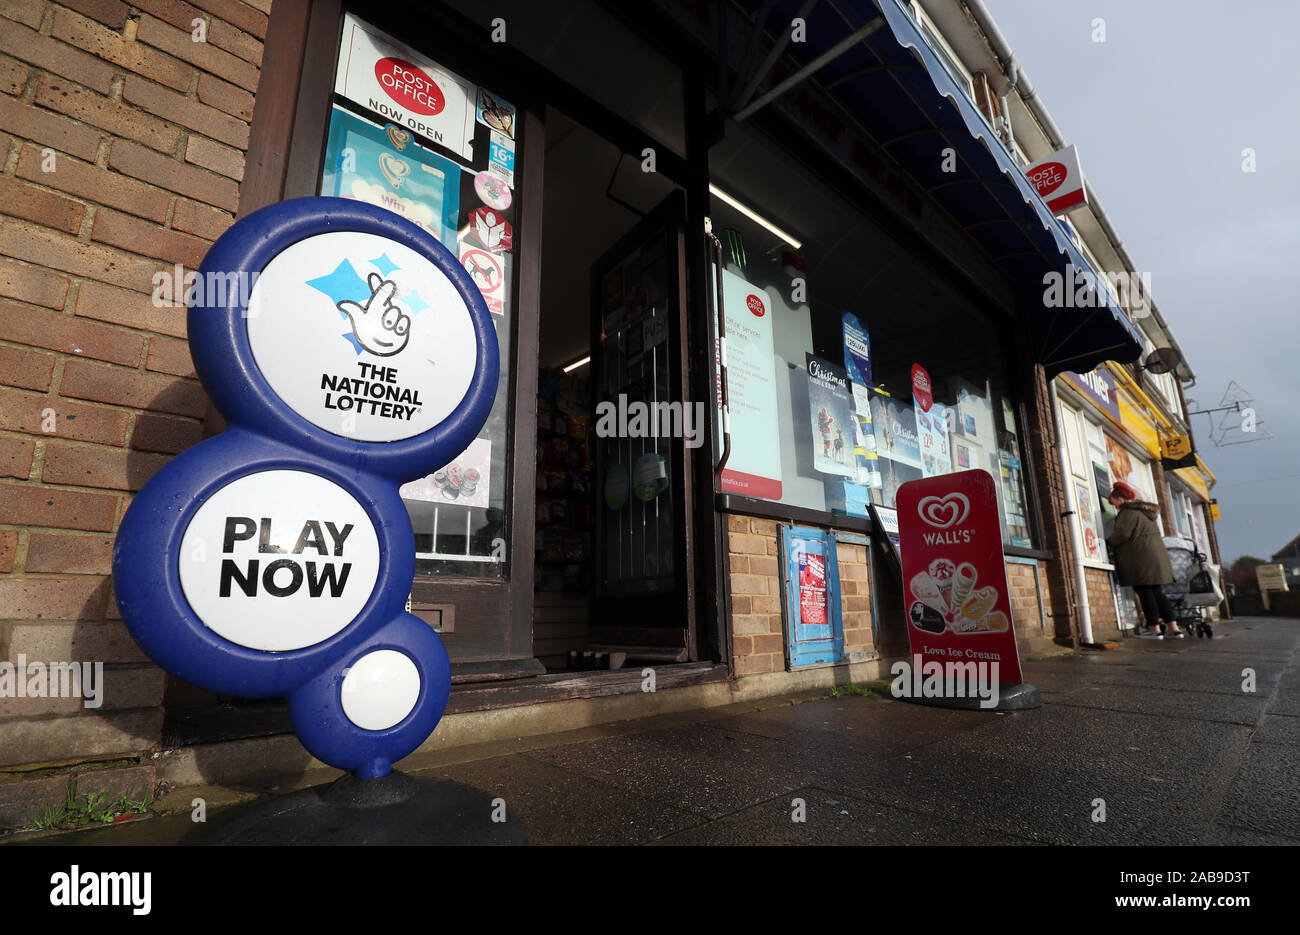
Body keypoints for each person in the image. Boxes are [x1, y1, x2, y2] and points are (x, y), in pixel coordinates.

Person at [1105, 481, 1183, 639]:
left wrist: (1107, 542)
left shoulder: (1127, 513)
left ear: (1120, 499)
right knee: (1157, 592)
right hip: (1155, 558)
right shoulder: (1145, 513)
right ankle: (1173, 628)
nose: (1114, 507)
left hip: (1140, 559)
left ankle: (1154, 630)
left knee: (1145, 592)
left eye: (1113, 502)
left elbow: (1122, 534)